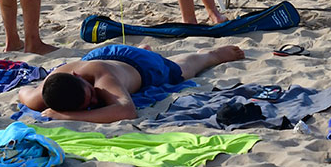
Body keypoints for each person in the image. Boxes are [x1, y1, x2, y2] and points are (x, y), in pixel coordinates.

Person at [18, 43, 244, 122]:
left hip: (136, 65)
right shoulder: (47, 91)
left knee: (181, 71)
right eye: (89, 103)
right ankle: (142, 48)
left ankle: (212, 54)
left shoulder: (102, 79)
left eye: (91, 94)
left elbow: (127, 111)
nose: (97, 98)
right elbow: (24, 93)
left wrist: (66, 116)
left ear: (78, 77)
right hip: (104, 59)